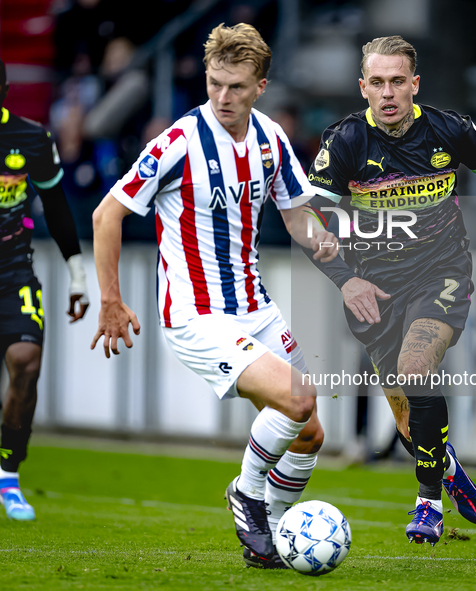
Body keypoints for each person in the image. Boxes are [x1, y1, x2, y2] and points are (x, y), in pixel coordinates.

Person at [91, 23, 337, 568]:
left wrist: (324, 242)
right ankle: (247, 494)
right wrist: (110, 298)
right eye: (214, 83)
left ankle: (269, 541)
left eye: (237, 87)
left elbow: (295, 211)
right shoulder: (177, 143)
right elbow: (106, 214)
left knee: (310, 432)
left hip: (255, 306)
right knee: (295, 399)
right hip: (197, 314)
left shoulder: (270, 138)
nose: (223, 97)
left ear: (261, 86)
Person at [305, 35, 476, 545]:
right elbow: (309, 222)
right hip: (375, 289)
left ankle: (427, 505)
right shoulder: (345, 143)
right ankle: (447, 467)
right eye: (377, 82)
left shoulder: (449, 130)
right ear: (362, 87)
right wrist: (346, 281)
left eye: (397, 81)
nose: (388, 93)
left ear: (415, 84)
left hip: (442, 273)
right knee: (413, 427)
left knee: (416, 368)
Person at [0, 60, 90, 520]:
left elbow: (54, 205)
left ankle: (8, 475)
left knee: (25, 360)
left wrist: (77, 272)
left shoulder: (31, 138)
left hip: (13, 271)